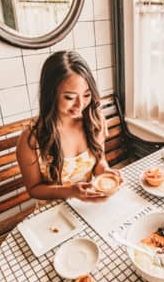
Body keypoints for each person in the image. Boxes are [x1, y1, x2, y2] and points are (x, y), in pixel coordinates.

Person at [16, 51, 123, 204]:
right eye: (70, 97)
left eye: (86, 95)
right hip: (55, 215)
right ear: (51, 94)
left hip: (88, 204)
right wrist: (70, 191)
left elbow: (99, 161)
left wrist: (106, 173)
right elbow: (33, 189)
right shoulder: (31, 139)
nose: (80, 105)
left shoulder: (94, 120)